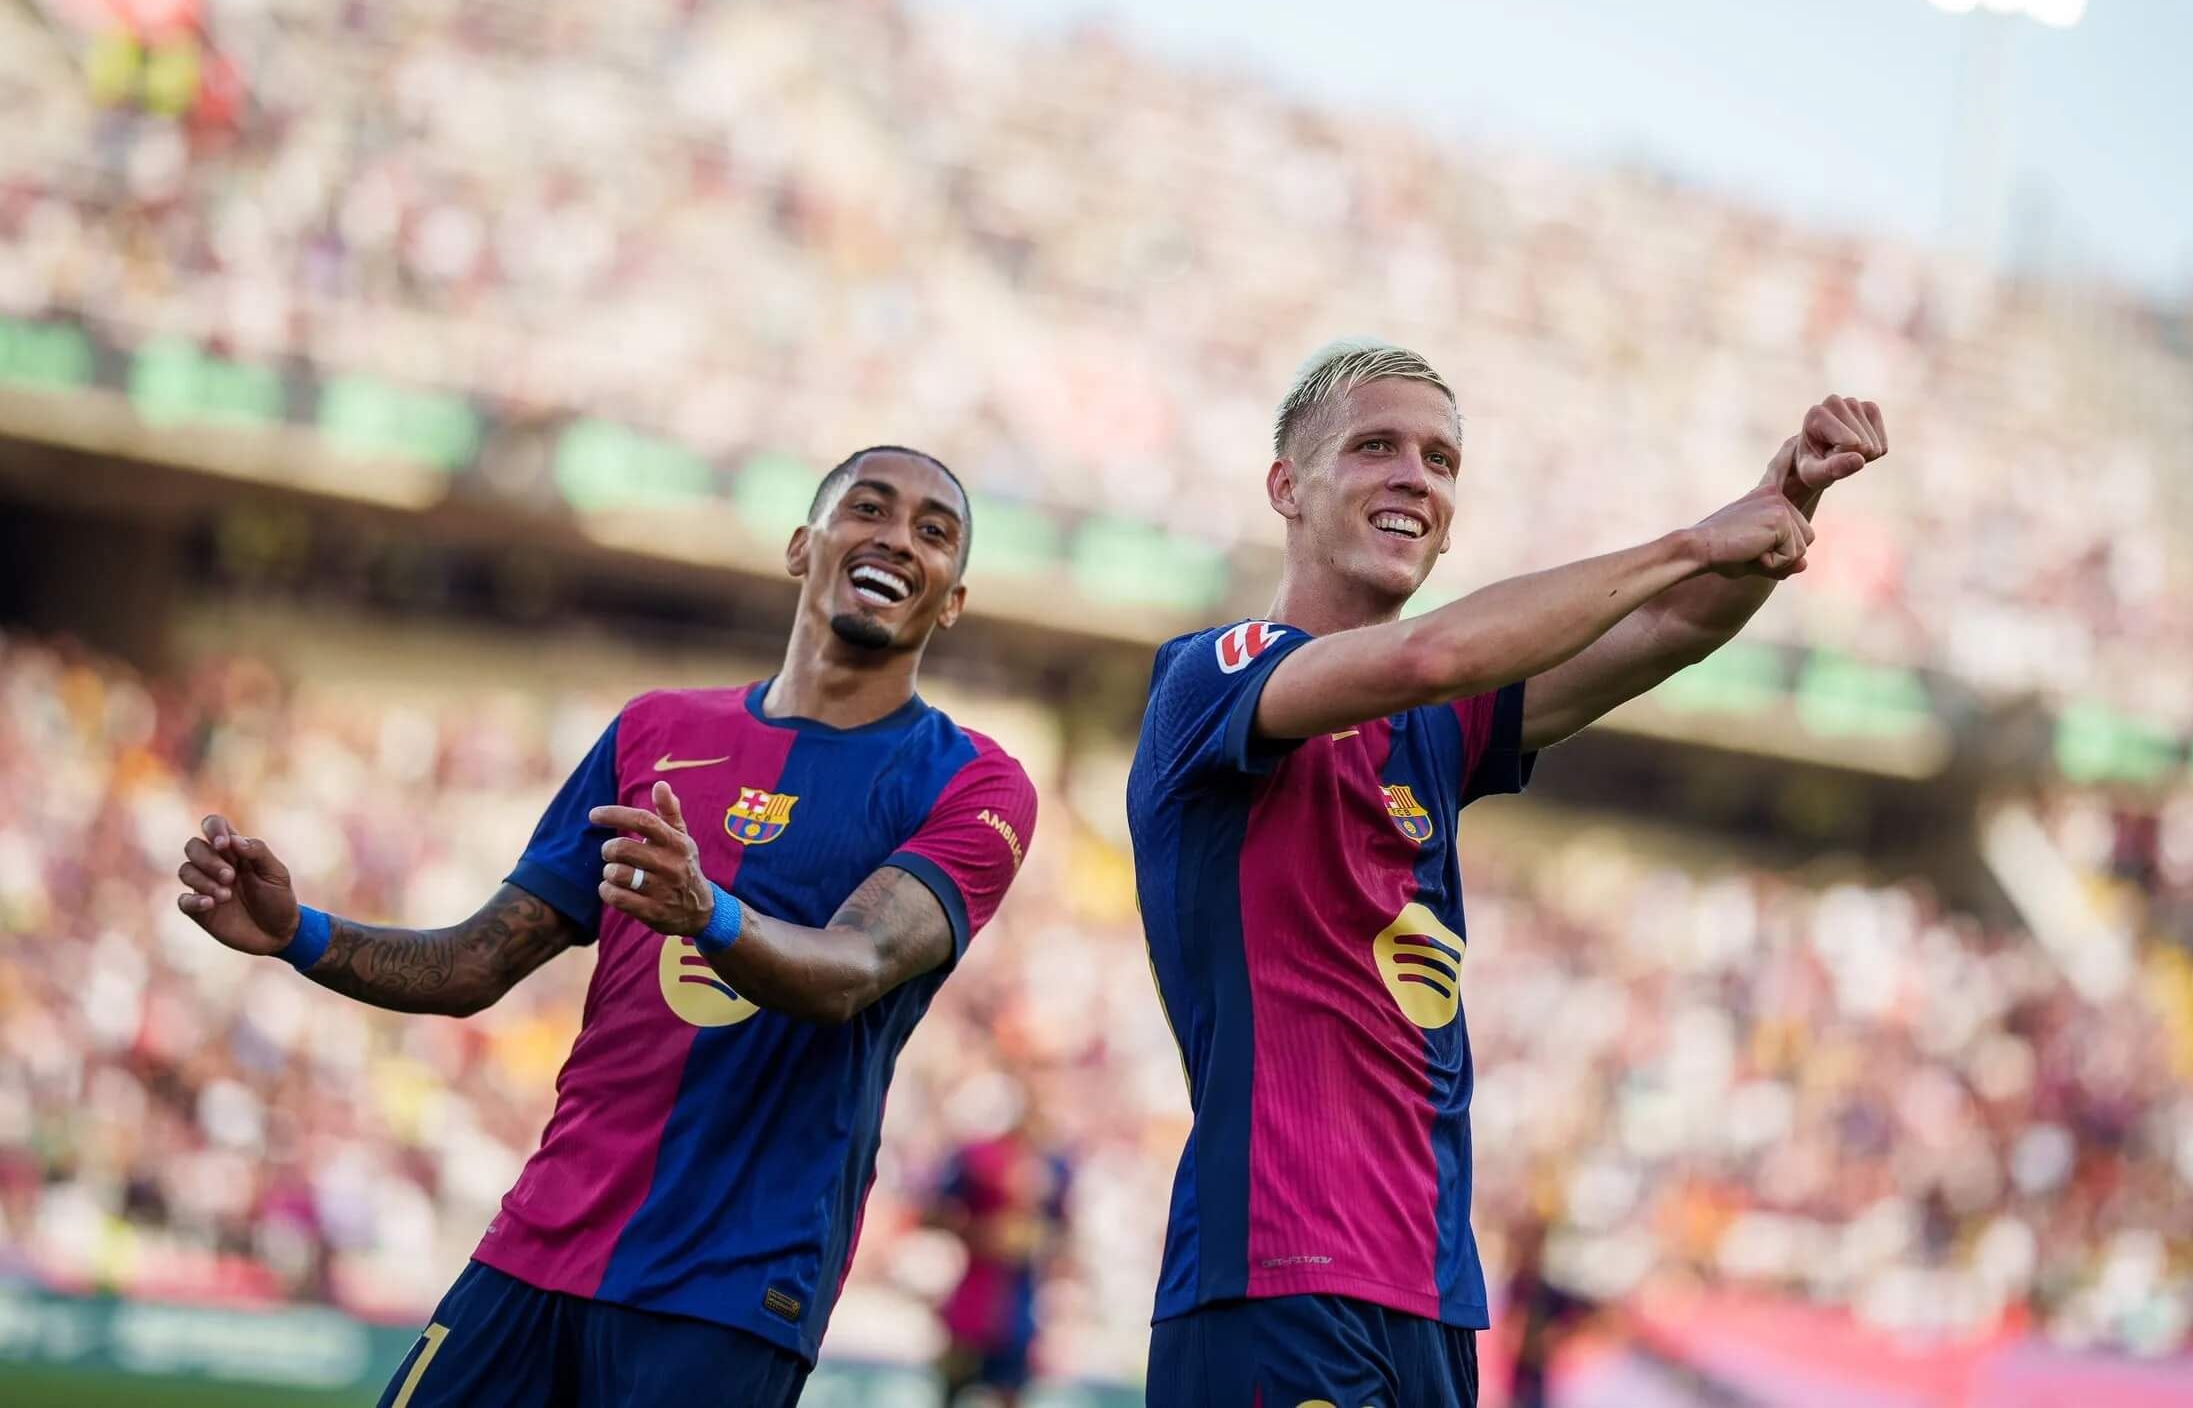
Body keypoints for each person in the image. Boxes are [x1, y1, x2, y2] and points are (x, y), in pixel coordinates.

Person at [173, 446, 1040, 1407]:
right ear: (803, 546)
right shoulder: (652, 732)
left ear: (953, 599)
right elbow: (473, 962)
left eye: (934, 532)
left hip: (729, 1287)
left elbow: (853, 967)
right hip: (540, 1242)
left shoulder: (972, 782)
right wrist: (302, 933)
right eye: (868, 508)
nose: (896, 539)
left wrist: (704, 909)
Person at [1126, 340, 1886, 1406]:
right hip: (1274, 1270)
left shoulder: (1438, 730)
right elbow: (1431, 654)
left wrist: (1781, 500)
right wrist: (1690, 540)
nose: (1414, 477)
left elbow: (1670, 630)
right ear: (1285, 488)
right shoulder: (1214, 672)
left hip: (1434, 1296)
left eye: (1440, 461)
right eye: (1375, 447)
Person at [929, 1083, 1073, 1406]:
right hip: (973, 1303)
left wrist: (1037, 1239)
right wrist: (981, 1234)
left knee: (1011, 1392)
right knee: (952, 1388)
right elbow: (935, 1212)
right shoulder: (977, 1158)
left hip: (1019, 1307)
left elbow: (1063, 1231)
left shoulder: (1054, 1165)